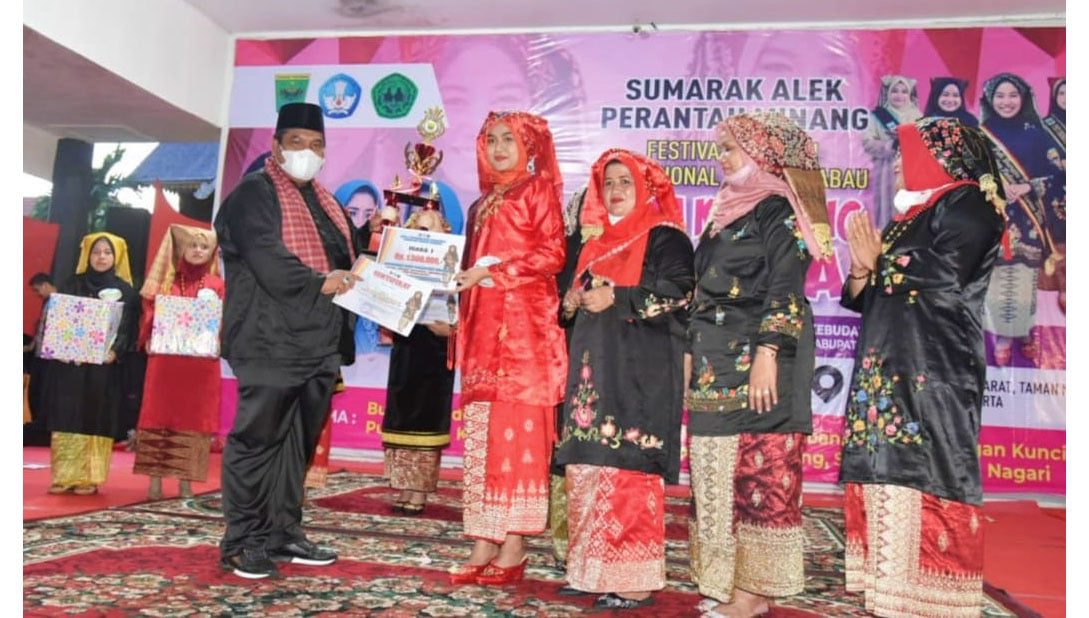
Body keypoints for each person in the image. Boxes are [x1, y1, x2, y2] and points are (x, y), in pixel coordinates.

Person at [839, 117, 1005, 617]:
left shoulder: (970, 203)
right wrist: (861, 269)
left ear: (940, 157)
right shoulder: (912, 213)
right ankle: (890, 597)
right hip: (887, 365)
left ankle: (930, 601)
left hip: (933, 368)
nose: (901, 163)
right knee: (882, 472)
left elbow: (946, 274)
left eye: (910, 152)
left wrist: (881, 263)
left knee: (927, 470)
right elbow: (867, 296)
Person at [686, 112, 831, 618]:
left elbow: (786, 285)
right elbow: (703, 291)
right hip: (714, 365)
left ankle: (754, 591)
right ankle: (727, 581)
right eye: (720, 148)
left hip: (760, 359)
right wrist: (690, 352)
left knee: (760, 474)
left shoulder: (777, 208)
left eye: (730, 148)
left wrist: (768, 353)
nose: (721, 158)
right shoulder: (724, 210)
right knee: (713, 474)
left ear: (761, 154)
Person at [213, 102, 362, 579]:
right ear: (276, 147)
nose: (307, 152)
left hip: (319, 345)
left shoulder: (327, 202)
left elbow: (349, 259)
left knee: (297, 446)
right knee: (257, 442)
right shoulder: (252, 194)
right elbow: (267, 256)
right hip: (269, 341)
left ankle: (282, 533)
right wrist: (323, 282)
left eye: (317, 145)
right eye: (297, 142)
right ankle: (242, 542)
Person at [553, 149, 694, 610]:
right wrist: (570, 304)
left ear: (646, 187)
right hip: (592, 375)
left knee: (627, 469)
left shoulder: (665, 236)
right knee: (588, 466)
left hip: (638, 374)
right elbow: (574, 304)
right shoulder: (595, 242)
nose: (615, 190)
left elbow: (680, 291)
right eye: (608, 183)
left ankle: (633, 580)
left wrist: (617, 296)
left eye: (625, 182)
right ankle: (590, 571)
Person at [448, 110, 567, 586]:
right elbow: (466, 269)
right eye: (491, 140)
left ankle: (514, 546)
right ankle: (484, 540)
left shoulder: (537, 190)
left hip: (523, 338)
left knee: (516, 441)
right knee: (483, 439)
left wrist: (494, 272)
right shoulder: (481, 203)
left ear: (529, 148)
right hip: (482, 334)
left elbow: (553, 254)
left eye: (508, 140)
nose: (498, 149)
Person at [37, 233, 140, 495]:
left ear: (116, 257)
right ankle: (63, 476)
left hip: (102, 369)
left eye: (107, 252)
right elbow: (57, 318)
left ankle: (88, 478)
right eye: (96, 252)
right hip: (69, 366)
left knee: (95, 418)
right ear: (87, 255)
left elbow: (128, 328)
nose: (101, 257)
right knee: (66, 416)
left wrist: (115, 352)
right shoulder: (71, 284)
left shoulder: (126, 292)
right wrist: (58, 345)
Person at [133, 225, 224, 500]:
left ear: (211, 252)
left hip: (200, 366)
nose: (197, 251)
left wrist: (219, 338)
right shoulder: (165, 282)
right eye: (192, 245)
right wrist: (148, 335)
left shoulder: (218, 285)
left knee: (195, 420)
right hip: (165, 363)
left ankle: (187, 482)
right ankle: (154, 482)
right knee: (157, 417)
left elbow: (224, 319)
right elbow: (148, 312)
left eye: (204, 247)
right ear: (181, 249)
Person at [978, 73, 1063, 364]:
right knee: (999, 277)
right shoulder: (980, 135)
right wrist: (996, 189)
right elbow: (970, 175)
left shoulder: (1036, 134)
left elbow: (1059, 174)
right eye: (1000, 96)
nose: (1007, 101)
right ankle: (1004, 335)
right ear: (991, 99)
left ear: (1023, 98)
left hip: (1029, 217)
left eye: (1013, 95)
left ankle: (1023, 331)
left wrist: (1028, 187)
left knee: (1024, 277)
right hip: (994, 216)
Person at [382, 209, 457, 515]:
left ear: (445, 232)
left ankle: (419, 492)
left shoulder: (454, 265)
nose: (426, 235)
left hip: (435, 353)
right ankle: (403, 486)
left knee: (427, 418)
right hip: (407, 349)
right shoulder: (401, 264)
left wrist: (451, 328)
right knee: (402, 414)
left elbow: (460, 312)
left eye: (432, 229)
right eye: (420, 230)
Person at [863, 75, 923, 228]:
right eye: (895, 91)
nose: (899, 95)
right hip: (885, 171)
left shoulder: (918, 116)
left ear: (909, 95)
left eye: (904, 91)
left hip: (911, 170)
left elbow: (925, 144)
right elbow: (867, 142)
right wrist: (890, 145)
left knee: (910, 211)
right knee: (885, 212)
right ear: (888, 93)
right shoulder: (878, 116)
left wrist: (906, 141)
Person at [24, 273, 57, 446]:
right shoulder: (47, 303)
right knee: (35, 391)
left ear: (45, 285)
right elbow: (41, 330)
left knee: (45, 391)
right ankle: (37, 423)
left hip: (51, 357)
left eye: (37, 290)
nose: (38, 294)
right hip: (40, 355)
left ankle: (44, 426)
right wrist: (30, 347)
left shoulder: (60, 302)